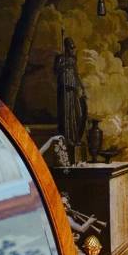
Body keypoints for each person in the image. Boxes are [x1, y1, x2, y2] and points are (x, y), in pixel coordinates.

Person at [53, 36, 88, 166]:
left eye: (73, 47)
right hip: (64, 89)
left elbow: (76, 74)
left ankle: (74, 137)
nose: (72, 50)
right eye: (70, 47)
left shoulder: (73, 60)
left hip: (73, 89)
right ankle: (67, 138)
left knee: (76, 114)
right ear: (66, 47)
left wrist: (82, 87)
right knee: (66, 114)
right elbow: (56, 70)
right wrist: (62, 63)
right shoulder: (60, 58)